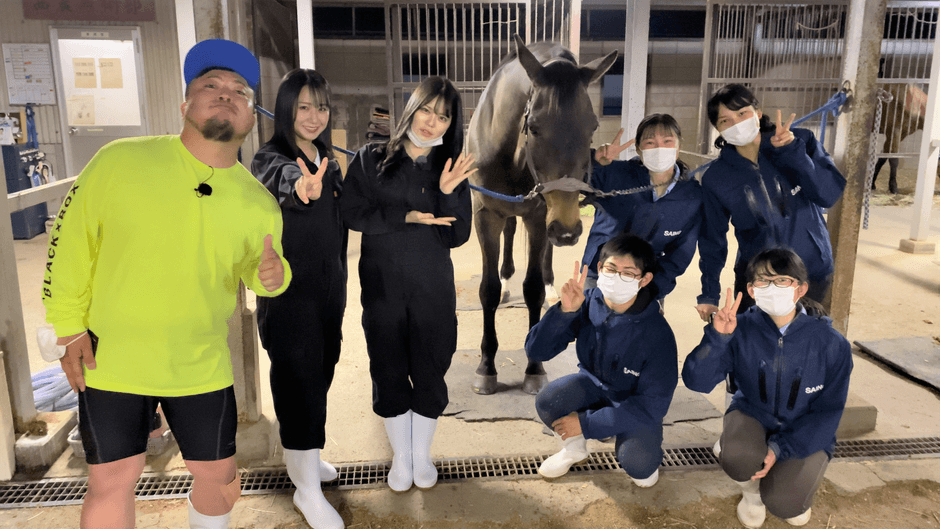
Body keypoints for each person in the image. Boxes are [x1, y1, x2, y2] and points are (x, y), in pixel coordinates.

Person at [41, 39, 291, 529]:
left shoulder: (258, 202)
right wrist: (68, 326)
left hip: (199, 364)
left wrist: (275, 276)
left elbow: (261, 275)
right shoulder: (119, 161)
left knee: (220, 479)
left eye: (239, 90)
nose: (226, 94)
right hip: (112, 360)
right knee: (112, 479)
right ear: (185, 104)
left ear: (250, 115)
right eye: (210, 85)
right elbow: (68, 243)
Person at [341, 76, 475, 492]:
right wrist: (404, 217)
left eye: (443, 117)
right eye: (426, 110)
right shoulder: (371, 158)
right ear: (411, 109)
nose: (432, 122)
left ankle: (421, 453)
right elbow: (352, 213)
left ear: (451, 125)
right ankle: (401, 455)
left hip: (432, 287)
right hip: (382, 287)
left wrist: (448, 193)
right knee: (388, 366)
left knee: (431, 365)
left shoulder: (449, 168)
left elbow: (458, 235)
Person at [682, 248, 852, 528]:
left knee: (786, 504)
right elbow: (697, 382)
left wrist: (780, 448)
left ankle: (783, 480)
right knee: (739, 459)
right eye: (763, 280)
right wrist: (717, 339)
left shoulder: (831, 343)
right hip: (753, 412)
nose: (773, 287)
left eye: (782, 280)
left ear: (800, 289)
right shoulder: (738, 328)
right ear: (751, 289)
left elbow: (829, 411)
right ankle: (751, 495)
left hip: (803, 425)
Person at [250, 69, 345, 529]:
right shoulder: (270, 159)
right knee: (298, 382)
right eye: (303, 107)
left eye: (321, 107)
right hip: (289, 295)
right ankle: (306, 489)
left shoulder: (328, 159)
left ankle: (303, 458)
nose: (313, 116)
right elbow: (286, 179)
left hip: (329, 291)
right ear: (285, 108)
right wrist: (302, 187)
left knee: (321, 371)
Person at [525, 233, 677, 488]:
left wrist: (586, 424)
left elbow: (652, 406)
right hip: (593, 386)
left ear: (644, 279)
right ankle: (574, 450)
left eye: (628, 273)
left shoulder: (657, 333)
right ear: (599, 268)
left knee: (640, 468)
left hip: (633, 402)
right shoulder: (588, 302)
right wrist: (564, 312)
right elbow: (536, 351)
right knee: (549, 400)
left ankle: (634, 446)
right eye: (611, 269)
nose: (617, 277)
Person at [695, 84, 846, 321]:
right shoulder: (716, 177)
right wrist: (709, 292)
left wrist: (792, 152)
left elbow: (827, 195)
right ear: (718, 129)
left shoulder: (801, 142)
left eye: (742, 113)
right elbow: (712, 239)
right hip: (757, 277)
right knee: (753, 338)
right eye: (725, 120)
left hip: (810, 270)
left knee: (807, 334)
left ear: (757, 112)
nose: (736, 124)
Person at [583, 114, 703, 306]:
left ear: (678, 146)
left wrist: (654, 288)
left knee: (642, 326)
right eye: (650, 142)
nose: (659, 148)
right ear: (638, 149)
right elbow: (568, 178)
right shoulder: (614, 174)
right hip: (601, 273)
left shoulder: (692, 195)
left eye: (667, 141)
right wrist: (594, 161)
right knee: (593, 321)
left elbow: (681, 252)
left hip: (647, 280)